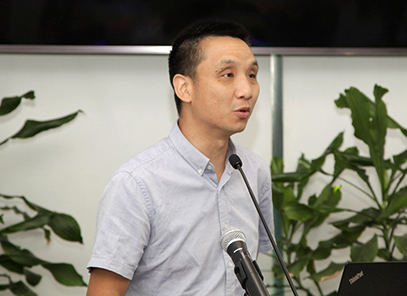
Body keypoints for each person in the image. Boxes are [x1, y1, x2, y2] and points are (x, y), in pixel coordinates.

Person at [86, 19, 274, 295]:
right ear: (184, 87)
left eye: (252, 75)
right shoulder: (137, 183)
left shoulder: (254, 170)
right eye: (227, 74)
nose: (246, 90)